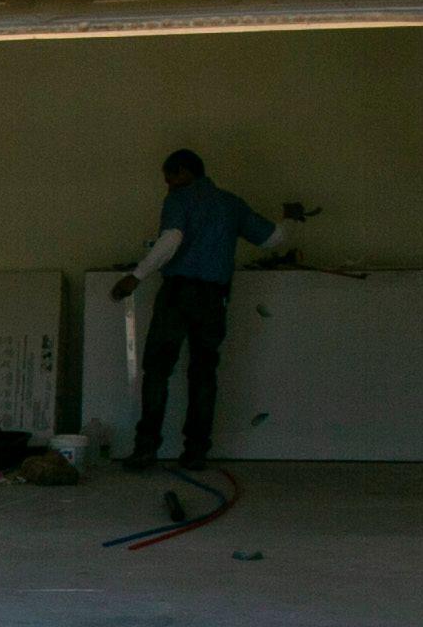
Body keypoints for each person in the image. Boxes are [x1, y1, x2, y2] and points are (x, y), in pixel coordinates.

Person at [110, 149, 309, 471]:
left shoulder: (179, 199)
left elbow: (171, 239)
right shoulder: (232, 204)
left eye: (170, 178)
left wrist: (136, 276)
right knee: (203, 375)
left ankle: (146, 449)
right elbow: (272, 240)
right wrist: (288, 218)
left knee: (158, 372)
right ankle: (196, 452)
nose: (168, 186)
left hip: (177, 294)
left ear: (185, 172)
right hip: (214, 298)